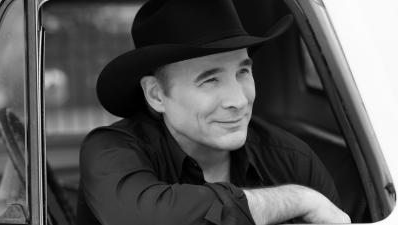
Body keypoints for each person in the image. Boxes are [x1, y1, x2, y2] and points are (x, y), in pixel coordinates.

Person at [76, 0, 351, 224]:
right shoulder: (110, 151)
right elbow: (145, 219)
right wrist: (297, 200)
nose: (238, 100)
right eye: (210, 80)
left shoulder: (293, 160)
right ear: (156, 94)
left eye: (243, 71)